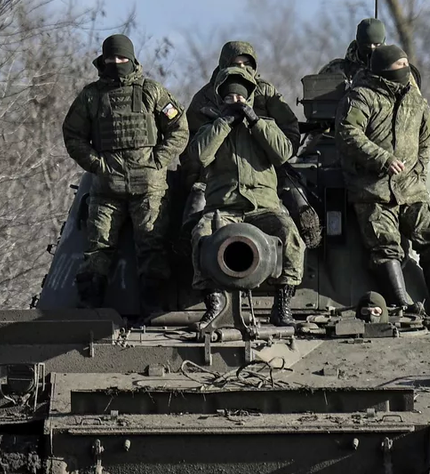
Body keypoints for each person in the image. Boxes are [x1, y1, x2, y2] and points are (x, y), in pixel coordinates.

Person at [334, 44, 430, 318]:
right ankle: (402, 305)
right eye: (399, 65)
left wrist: (418, 171)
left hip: (410, 188)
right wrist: (382, 159)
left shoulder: (414, 99)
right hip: (373, 189)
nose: (405, 69)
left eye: (406, 64)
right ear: (384, 69)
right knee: (385, 244)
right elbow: (348, 132)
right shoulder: (362, 97)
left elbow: (425, 136)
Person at [61, 34, 189, 314]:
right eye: (111, 58)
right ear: (103, 60)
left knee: (152, 245)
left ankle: (152, 308)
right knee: (97, 247)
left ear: (131, 59)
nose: (116, 63)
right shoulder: (92, 96)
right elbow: (72, 134)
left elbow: (179, 128)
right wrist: (96, 164)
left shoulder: (151, 92)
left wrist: (159, 159)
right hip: (107, 187)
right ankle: (90, 306)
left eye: (121, 58)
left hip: (149, 186)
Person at [187, 67, 305, 329]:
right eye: (230, 98)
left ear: (249, 98)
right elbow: (199, 157)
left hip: (264, 207)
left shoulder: (266, 126)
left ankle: (282, 304)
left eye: (241, 98)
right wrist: (224, 123)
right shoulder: (211, 128)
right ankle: (214, 301)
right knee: (201, 235)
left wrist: (255, 121)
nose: (236, 102)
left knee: (290, 234)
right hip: (223, 209)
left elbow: (283, 153)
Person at [180, 40, 300, 189]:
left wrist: (282, 158)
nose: (242, 68)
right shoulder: (204, 98)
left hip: (265, 170)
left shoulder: (265, 91)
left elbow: (289, 127)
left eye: (247, 64)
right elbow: (189, 142)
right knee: (195, 201)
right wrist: (196, 176)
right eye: (236, 64)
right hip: (216, 175)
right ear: (225, 64)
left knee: (297, 198)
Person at [319, 18, 388, 81]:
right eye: (366, 44)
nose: (372, 48)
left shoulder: (390, 70)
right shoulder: (336, 70)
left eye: (376, 44)